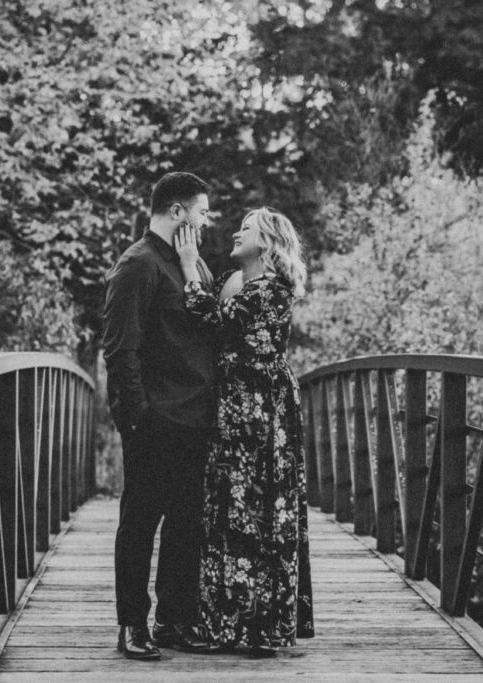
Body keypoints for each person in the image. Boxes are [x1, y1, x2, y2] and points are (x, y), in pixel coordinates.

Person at [174, 207, 315, 658]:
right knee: (231, 506)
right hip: (234, 404)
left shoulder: (273, 290)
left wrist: (186, 267)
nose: (236, 232)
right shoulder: (236, 284)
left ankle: (256, 625)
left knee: (255, 504)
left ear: (269, 242)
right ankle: (229, 621)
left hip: (261, 409)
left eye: (247, 228)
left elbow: (211, 321)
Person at [102, 171, 222, 660]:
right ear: (178, 213)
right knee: (141, 522)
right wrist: (135, 419)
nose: (207, 220)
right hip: (155, 420)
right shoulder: (138, 265)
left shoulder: (192, 266)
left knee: (186, 524)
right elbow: (119, 349)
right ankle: (132, 624)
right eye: (201, 211)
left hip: (196, 417)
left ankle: (175, 620)